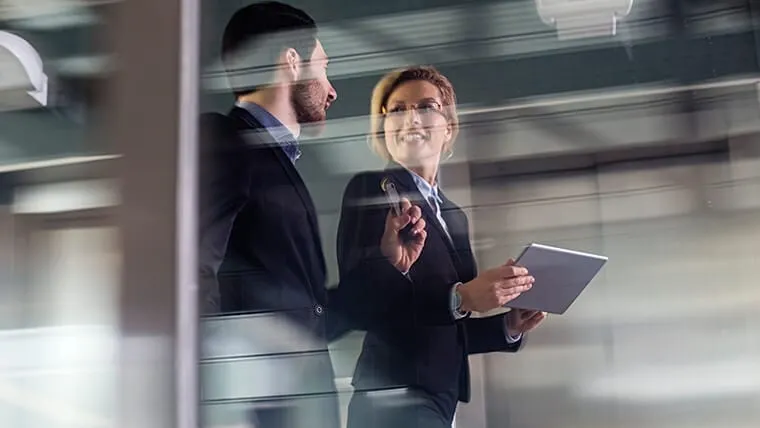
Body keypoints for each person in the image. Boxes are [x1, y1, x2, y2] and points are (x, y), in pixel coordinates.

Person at [198, 3, 426, 428]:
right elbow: (191, 269)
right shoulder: (227, 139)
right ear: (291, 62)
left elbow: (312, 320)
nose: (332, 89)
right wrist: (224, 389)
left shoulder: (273, 163)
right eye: (322, 67)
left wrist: (386, 263)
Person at [336, 65, 547, 428]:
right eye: (397, 109)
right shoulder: (373, 190)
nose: (410, 118)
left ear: (449, 126)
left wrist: (508, 326)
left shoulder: (453, 216)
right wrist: (460, 297)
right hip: (393, 395)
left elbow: (445, 328)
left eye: (425, 106)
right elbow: (364, 301)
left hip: (440, 401)